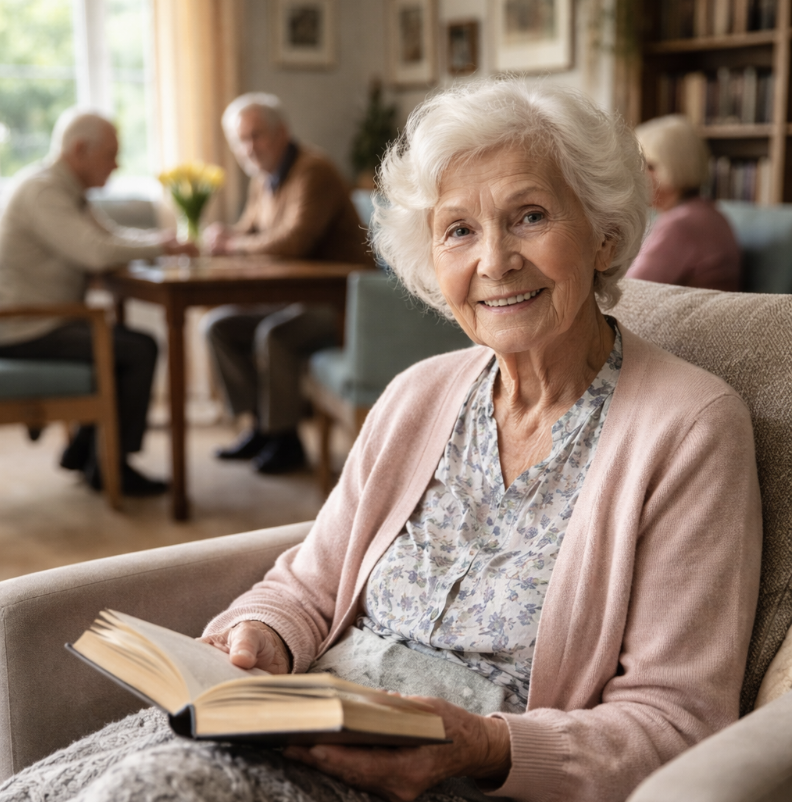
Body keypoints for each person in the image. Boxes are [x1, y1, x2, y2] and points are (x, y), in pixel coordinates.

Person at [0, 80, 762, 802]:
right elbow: (309, 583)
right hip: (305, 721)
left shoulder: (689, 428)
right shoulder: (419, 393)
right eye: (459, 230)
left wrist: (487, 746)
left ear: (604, 234)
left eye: (530, 216)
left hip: (458, 779)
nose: (494, 261)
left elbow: (678, 724)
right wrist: (262, 637)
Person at [0, 108, 197, 495]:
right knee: (139, 349)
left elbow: (110, 238)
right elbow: (95, 253)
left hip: (46, 320)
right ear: (79, 150)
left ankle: (86, 452)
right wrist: (162, 245)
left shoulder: (66, 192)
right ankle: (111, 467)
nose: (117, 164)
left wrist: (163, 243)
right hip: (24, 326)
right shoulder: (45, 192)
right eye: (110, 153)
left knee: (126, 344)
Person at [201, 93, 374, 474]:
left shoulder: (314, 170)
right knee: (218, 326)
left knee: (275, 335)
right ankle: (261, 427)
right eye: (241, 141)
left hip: (344, 304)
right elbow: (249, 231)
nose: (249, 148)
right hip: (294, 298)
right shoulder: (262, 178)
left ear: (282, 133)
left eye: (256, 136)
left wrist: (234, 245)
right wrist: (222, 236)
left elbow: (294, 242)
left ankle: (286, 439)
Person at [626, 114, 742, 291]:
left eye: (649, 166)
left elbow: (630, 292)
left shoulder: (680, 225)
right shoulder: (710, 212)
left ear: (675, 168)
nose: (638, 174)